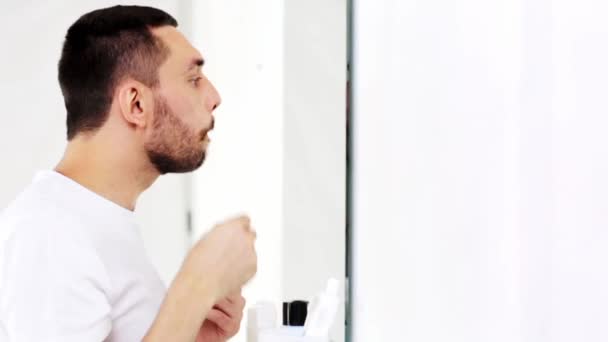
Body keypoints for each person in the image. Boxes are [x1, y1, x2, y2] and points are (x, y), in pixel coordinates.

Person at [0, 5, 257, 342]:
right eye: (193, 79)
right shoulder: (49, 232)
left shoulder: (90, 223)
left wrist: (191, 332)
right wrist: (195, 286)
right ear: (136, 104)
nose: (214, 97)